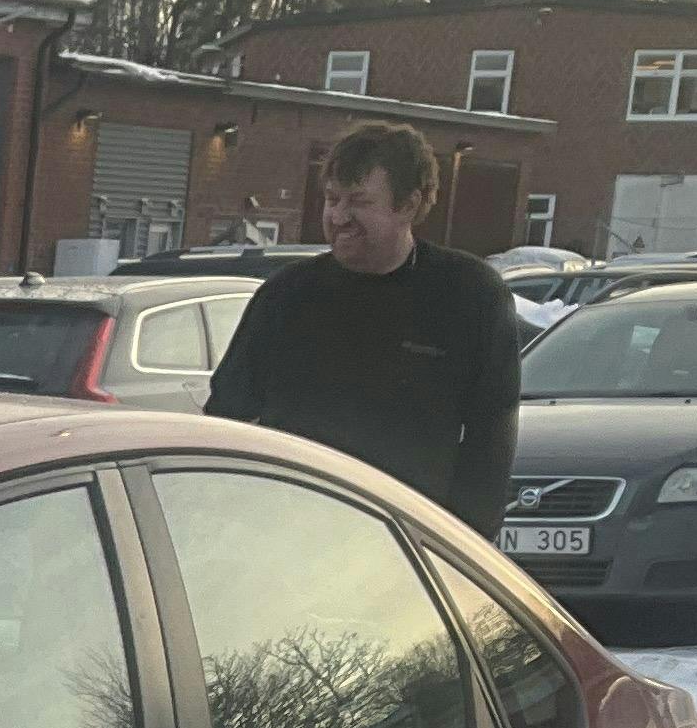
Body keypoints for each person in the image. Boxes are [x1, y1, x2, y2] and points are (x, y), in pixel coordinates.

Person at [208, 119, 521, 535]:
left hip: (408, 542)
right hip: (289, 535)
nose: (339, 217)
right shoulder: (286, 296)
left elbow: (491, 437)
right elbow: (227, 419)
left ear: (408, 205)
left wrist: (463, 540)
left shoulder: (469, 296)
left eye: (358, 201)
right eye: (332, 199)